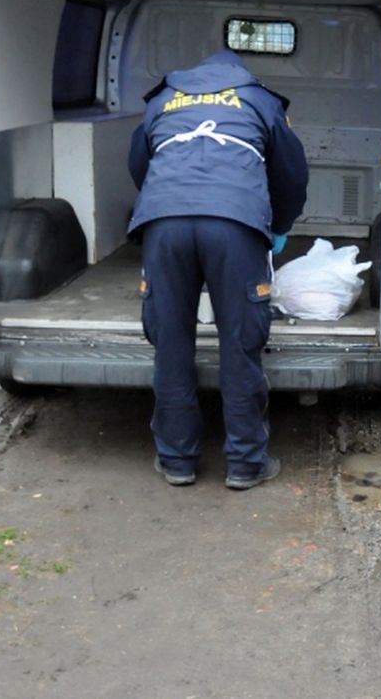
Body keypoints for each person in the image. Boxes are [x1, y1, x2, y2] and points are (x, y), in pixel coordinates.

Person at [128, 49, 309, 490]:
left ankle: (177, 461)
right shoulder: (258, 99)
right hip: (235, 225)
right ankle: (245, 463)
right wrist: (279, 226)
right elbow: (291, 175)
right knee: (240, 340)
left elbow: (138, 164)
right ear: (237, 75)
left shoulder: (163, 99)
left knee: (170, 340)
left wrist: (168, 202)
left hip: (165, 225)